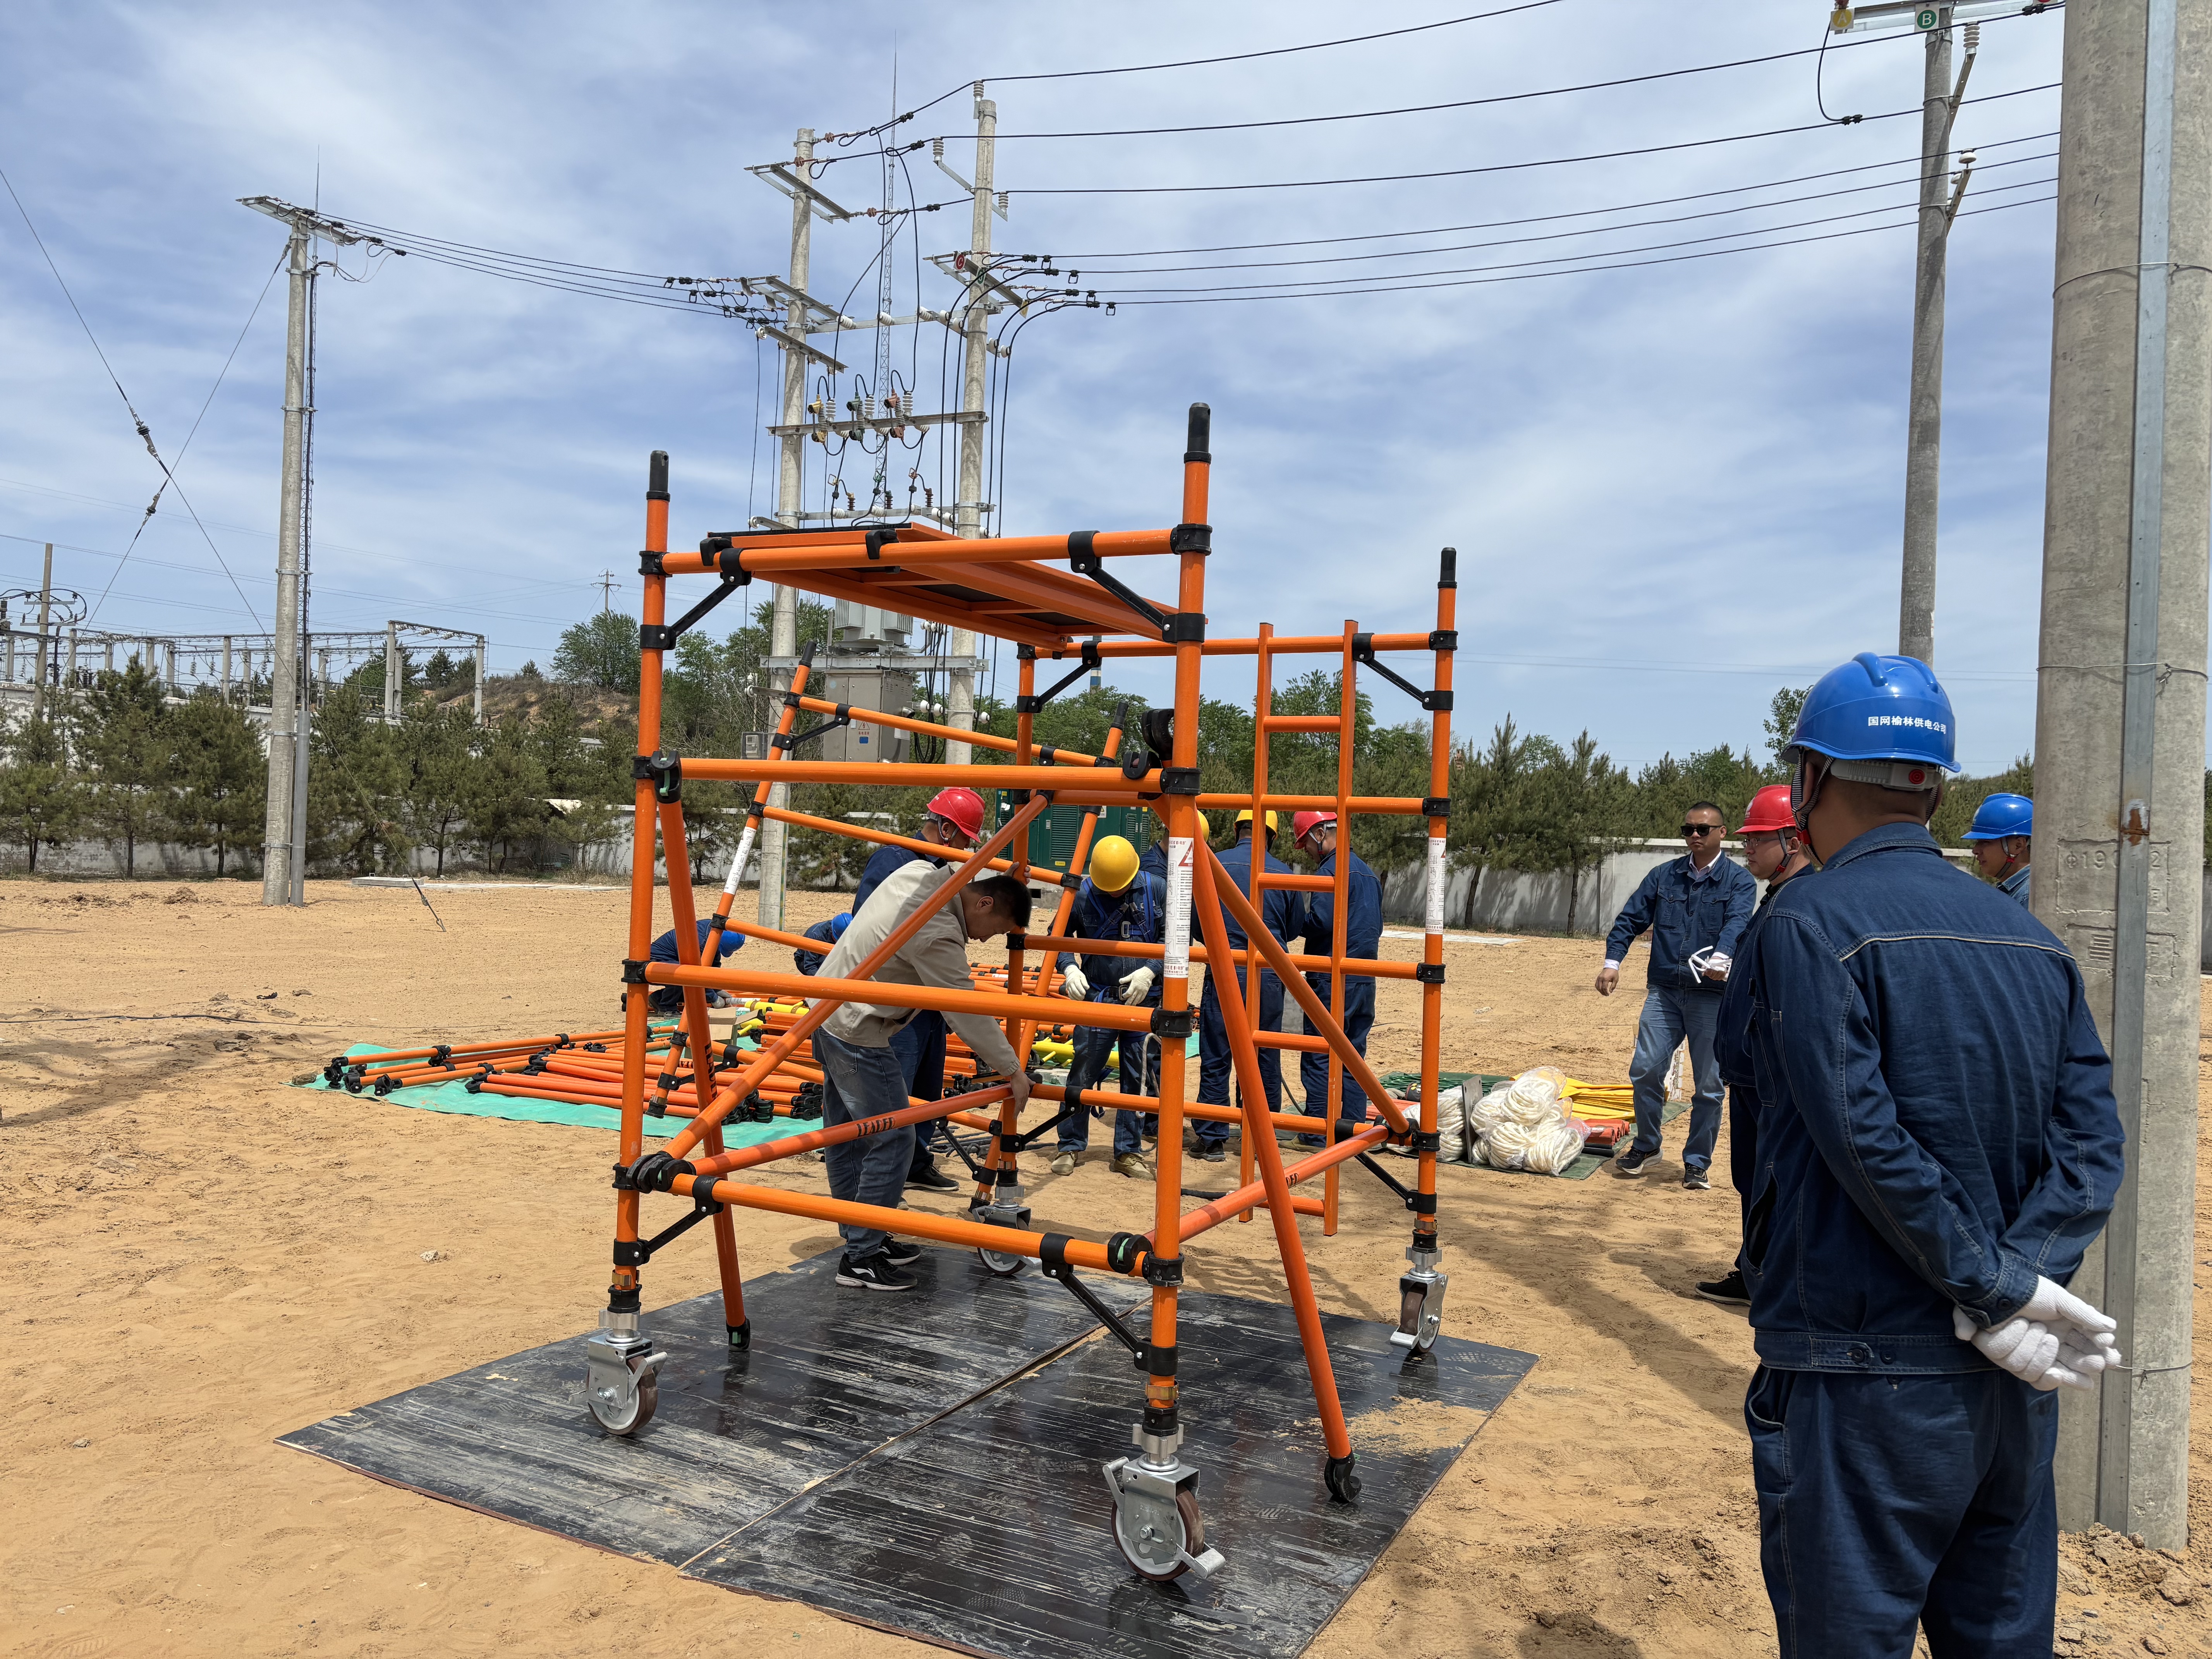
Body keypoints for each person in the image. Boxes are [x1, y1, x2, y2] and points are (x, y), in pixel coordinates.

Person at [1738, 652, 2123, 1656]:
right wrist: (2022, 1290)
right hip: (2005, 1383)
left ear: (1812, 777)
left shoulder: (1808, 922)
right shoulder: (2033, 940)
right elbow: (2092, 1146)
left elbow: (1860, 1133)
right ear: (1937, 786)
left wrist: (1994, 1285)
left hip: (1862, 1373)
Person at [809, 862, 1034, 1293]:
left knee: (846, 1136)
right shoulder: (937, 931)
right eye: (993, 928)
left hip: (828, 1013)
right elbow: (963, 1008)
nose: (984, 939)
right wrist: (1012, 1070)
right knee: (893, 1138)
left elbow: (950, 864)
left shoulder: (917, 874)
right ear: (983, 902)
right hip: (859, 1031)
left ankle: (864, 1237)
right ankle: (861, 1256)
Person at [1598, 801, 1757, 1188]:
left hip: (1710, 997)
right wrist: (1612, 963)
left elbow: (1738, 921)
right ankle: (1649, 1145)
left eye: (1704, 830)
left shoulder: (1740, 882)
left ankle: (1697, 1161)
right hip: (1665, 993)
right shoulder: (1663, 877)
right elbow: (1630, 919)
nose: (1695, 837)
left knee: (1709, 1085)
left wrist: (1723, 957)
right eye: (1689, 830)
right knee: (1645, 1069)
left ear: (1723, 833)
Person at [1695, 784, 1812, 1308]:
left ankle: (1774, 1281)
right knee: (1753, 1181)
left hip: (1770, 1081)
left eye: (1758, 839)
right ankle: (1755, 1268)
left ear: (1793, 838)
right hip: (1746, 1074)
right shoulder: (1777, 898)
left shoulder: (1803, 903)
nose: (1747, 848)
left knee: (1774, 1185)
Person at [849, 786, 987, 1195]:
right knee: (896, 1088)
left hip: (929, 997)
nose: (968, 849)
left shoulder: (944, 868)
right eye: (966, 839)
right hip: (899, 997)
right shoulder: (896, 862)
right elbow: (876, 927)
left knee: (926, 1088)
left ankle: (916, 1160)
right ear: (946, 830)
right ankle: (879, 1174)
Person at [1049, 835, 1166, 1178]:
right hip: (1098, 996)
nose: (1115, 893)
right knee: (1083, 1072)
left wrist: (1151, 970)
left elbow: (1174, 938)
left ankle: (1128, 1153)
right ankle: (1070, 1146)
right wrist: (1069, 966)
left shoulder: (1156, 889)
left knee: (1138, 1076)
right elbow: (1057, 937)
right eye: (1109, 889)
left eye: (1121, 888)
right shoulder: (1083, 894)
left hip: (1141, 999)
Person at [1194, 809, 1304, 1162]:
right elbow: (1294, 927)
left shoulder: (1215, 864)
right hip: (1268, 975)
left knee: (1216, 1053)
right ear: (1271, 836)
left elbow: (1198, 921)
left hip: (1225, 969)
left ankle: (1212, 1138)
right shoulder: (1284, 873)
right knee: (1265, 1057)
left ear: (1237, 829)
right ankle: (1260, 1138)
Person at [1290, 810, 1381, 1146]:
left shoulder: (1331, 871)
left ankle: (1316, 1133)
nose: (1309, 854)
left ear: (1318, 834)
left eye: (1306, 845)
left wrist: (1295, 920)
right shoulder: (1368, 875)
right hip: (1365, 977)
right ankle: (1353, 1131)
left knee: (1319, 1053)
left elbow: (1322, 922)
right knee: (1353, 1055)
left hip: (1332, 979)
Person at [646, 918, 744, 1017]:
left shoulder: (714, 932)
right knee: (683, 975)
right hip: (655, 965)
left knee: (693, 986)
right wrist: (714, 998)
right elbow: (697, 976)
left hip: (671, 962)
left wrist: (717, 989)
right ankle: (667, 1008)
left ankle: (658, 998)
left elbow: (713, 965)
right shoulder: (699, 944)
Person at [1961, 791, 2033, 908]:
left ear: (2018, 846)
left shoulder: (2029, 898)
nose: (1975, 850)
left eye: (1985, 842)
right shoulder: (2014, 891)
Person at [793, 912, 850, 977]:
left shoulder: (842, 927)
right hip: (805, 960)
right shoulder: (815, 936)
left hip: (826, 955)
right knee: (827, 966)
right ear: (832, 932)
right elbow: (810, 966)